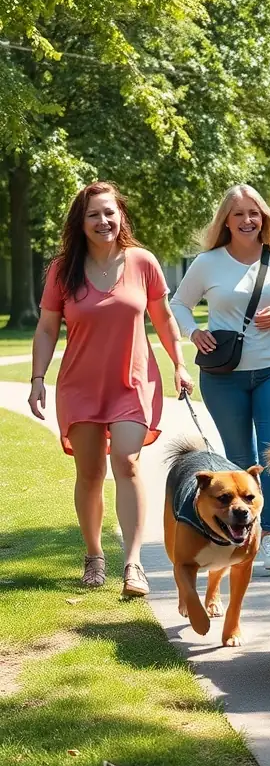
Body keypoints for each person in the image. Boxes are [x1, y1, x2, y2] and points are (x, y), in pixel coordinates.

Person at [28, 182, 193, 597]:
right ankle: (94, 555)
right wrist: (36, 379)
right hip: (80, 383)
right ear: (79, 223)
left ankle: (133, 563)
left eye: (109, 213)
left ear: (121, 216)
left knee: (127, 461)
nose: (103, 221)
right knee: (90, 473)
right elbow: (47, 328)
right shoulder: (63, 269)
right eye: (92, 215)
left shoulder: (143, 262)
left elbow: (165, 319)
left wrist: (180, 365)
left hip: (132, 380)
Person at [170, 185, 270, 573]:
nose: (248, 220)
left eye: (254, 213)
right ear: (226, 221)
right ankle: (242, 532)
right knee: (239, 459)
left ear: (263, 217)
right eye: (239, 214)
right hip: (223, 376)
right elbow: (178, 303)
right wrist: (193, 332)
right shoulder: (208, 262)